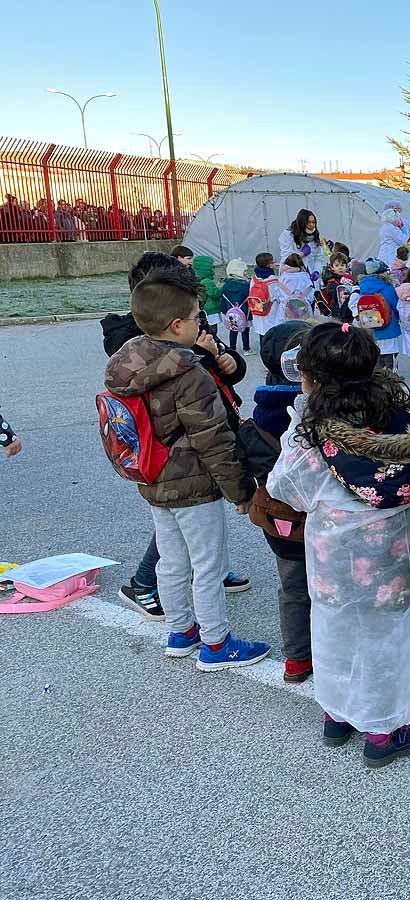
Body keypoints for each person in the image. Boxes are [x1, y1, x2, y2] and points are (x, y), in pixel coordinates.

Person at [268, 322, 410, 765]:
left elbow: (285, 488)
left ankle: (336, 715)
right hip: (392, 558)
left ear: (308, 378)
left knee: (334, 633)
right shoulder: (405, 421)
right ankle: (384, 731)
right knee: (389, 641)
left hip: (333, 559)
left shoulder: (310, 431)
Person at [102, 265, 268, 671]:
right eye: (196, 318)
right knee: (207, 565)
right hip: (194, 485)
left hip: (152, 477)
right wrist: (242, 491)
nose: (201, 324)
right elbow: (213, 439)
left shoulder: (127, 363)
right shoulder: (188, 373)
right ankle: (216, 643)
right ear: (177, 325)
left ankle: (181, 631)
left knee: (172, 561)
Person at [242, 321, 314, 683]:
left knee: (293, 588)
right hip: (319, 520)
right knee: (329, 589)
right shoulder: (315, 413)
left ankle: (297, 659)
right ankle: (333, 654)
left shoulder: (259, 416)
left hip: (279, 523)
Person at [357, 258, 402, 370]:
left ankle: (378, 379)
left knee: (377, 359)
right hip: (389, 328)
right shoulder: (387, 288)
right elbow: (396, 307)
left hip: (371, 330)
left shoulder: (363, 288)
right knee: (390, 360)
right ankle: (391, 378)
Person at [279, 209, 327, 277]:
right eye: (309, 222)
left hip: (310, 277)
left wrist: (317, 271)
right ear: (302, 223)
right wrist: (301, 254)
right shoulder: (288, 235)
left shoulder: (316, 237)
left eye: (313, 222)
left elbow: (319, 259)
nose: (312, 225)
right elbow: (286, 258)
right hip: (292, 276)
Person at [219, 258, 253, 352]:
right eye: (244, 271)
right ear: (239, 272)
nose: (246, 273)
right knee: (245, 331)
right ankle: (246, 349)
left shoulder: (226, 285)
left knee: (232, 331)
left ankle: (232, 348)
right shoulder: (247, 285)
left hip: (231, 314)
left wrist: (225, 311)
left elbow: (223, 300)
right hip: (245, 313)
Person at [193, 256, 223, 329]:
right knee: (213, 329)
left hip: (204, 310)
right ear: (206, 268)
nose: (213, 269)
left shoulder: (198, 280)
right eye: (212, 267)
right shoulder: (207, 281)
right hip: (211, 310)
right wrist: (221, 288)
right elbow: (214, 294)